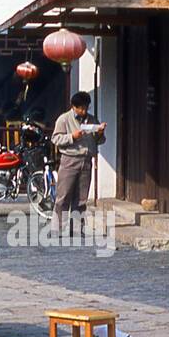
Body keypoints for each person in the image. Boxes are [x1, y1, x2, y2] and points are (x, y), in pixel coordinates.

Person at [51, 91, 106, 237]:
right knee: (63, 196)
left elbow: (99, 140)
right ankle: (57, 229)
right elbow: (55, 138)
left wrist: (100, 132)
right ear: (73, 107)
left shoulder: (91, 119)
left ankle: (76, 228)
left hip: (86, 160)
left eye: (85, 108)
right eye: (80, 108)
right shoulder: (64, 119)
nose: (83, 111)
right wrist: (71, 137)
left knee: (81, 198)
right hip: (69, 159)